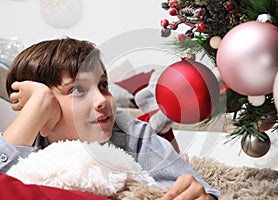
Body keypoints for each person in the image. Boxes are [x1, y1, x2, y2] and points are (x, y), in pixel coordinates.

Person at [0, 38, 220, 199]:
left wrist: (204, 196)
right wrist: (38, 103)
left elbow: (197, 188)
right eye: (77, 89)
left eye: (103, 86)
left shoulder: (129, 133)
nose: (102, 100)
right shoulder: (27, 136)